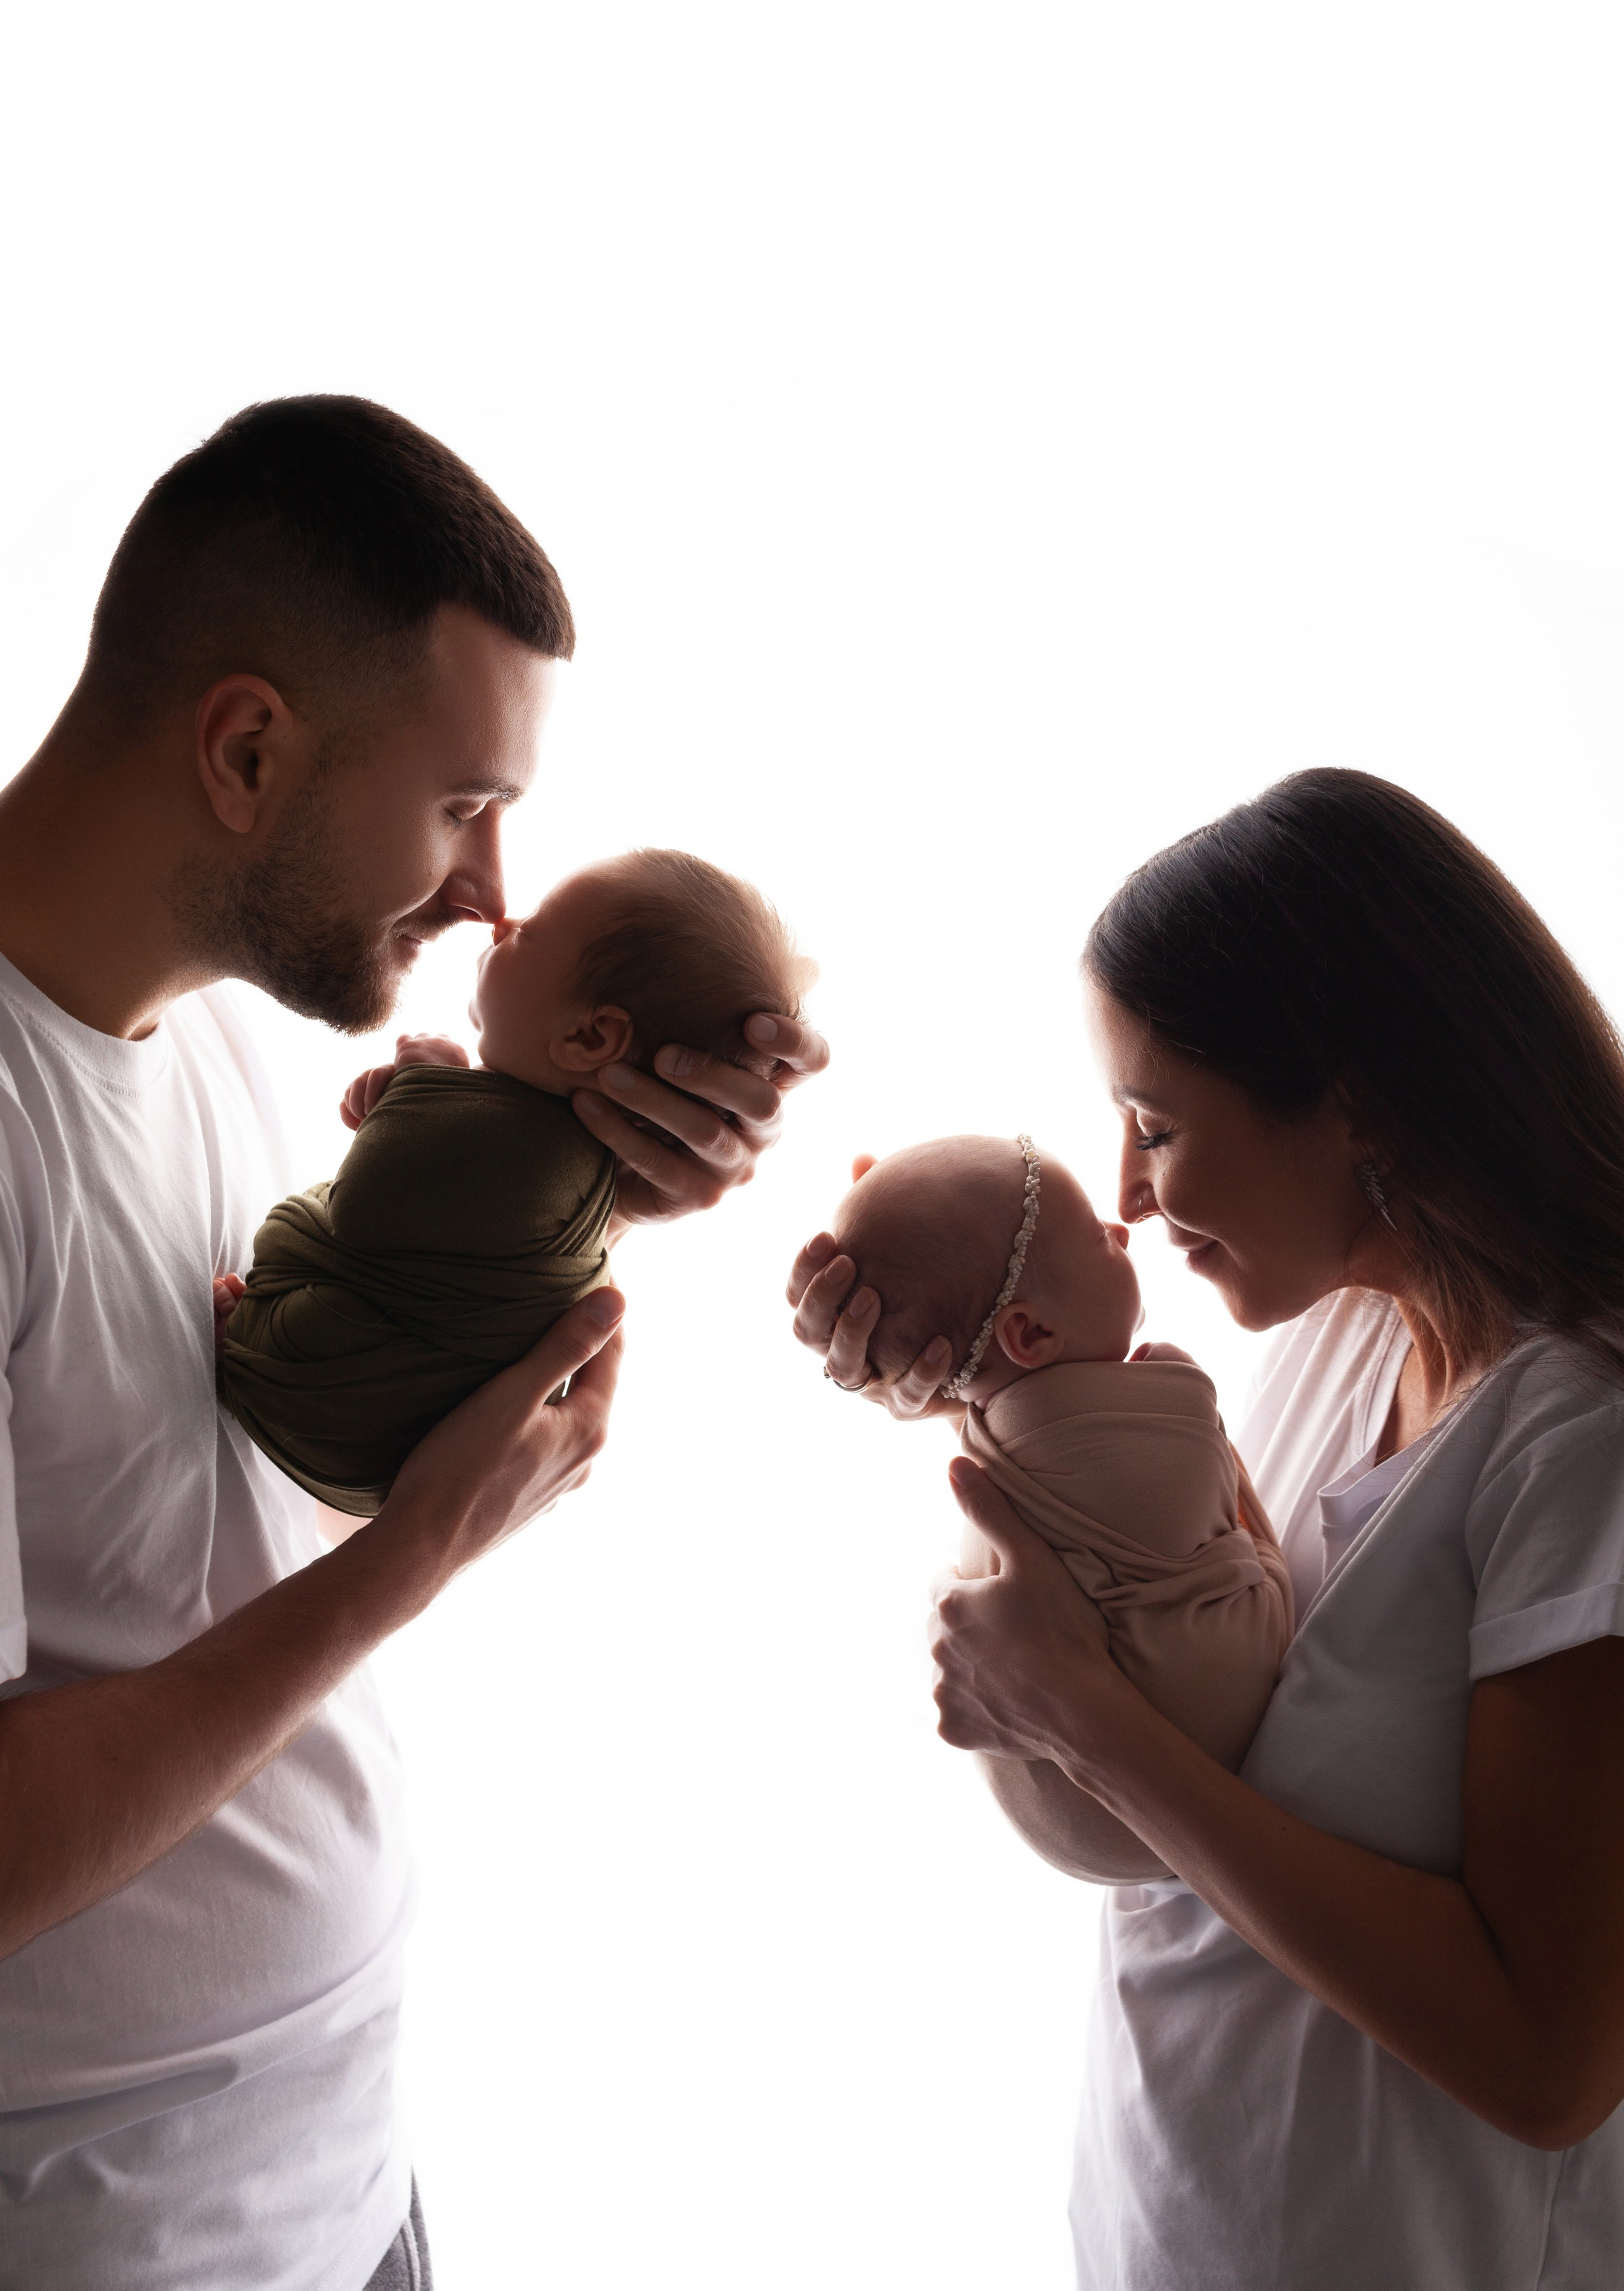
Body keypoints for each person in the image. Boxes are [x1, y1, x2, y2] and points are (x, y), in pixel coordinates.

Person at [0, 395, 825, 2291]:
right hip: (126, 2238)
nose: (491, 892)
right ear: (247, 747)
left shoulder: (189, 1015)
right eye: (465, 804)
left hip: (340, 2167)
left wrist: (593, 1189)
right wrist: (417, 1556)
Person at [790, 768, 1624, 2290]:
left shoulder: (1574, 1448)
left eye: (1154, 1125)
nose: (1122, 1191)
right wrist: (963, 1370)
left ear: (1356, 1097)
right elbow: (1173, 1607)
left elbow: (1540, 2059)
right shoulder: (1338, 1336)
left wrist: (1075, 1717)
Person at [219, 847, 814, 1511]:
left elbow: (363, 1207)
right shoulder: (571, 1164)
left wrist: (420, 1082)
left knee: (304, 1225)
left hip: (320, 1391)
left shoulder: (522, 1148)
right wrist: (410, 1107)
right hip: (377, 1447)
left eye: (527, 934)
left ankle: (252, 1333)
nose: (502, 922)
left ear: (590, 1038)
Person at [822, 1132, 1291, 1882]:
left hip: (1073, 1826)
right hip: (1196, 1754)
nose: (1119, 1226)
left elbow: (1034, 1458)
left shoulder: (985, 1422)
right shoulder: (1173, 1393)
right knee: (1234, 1576)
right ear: (1032, 1332)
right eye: (1096, 1241)